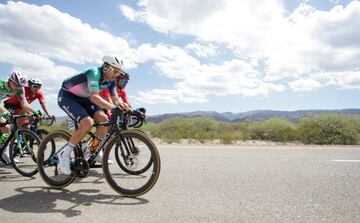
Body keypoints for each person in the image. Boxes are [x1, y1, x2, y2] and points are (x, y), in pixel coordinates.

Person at [57, 55, 127, 175]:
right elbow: (94, 97)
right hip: (67, 97)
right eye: (115, 71)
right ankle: (64, 154)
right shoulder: (93, 73)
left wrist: (125, 107)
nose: (116, 75)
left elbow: (116, 100)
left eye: (118, 73)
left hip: (84, 98)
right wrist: (114, 107)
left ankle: (91, 150)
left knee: (104, 120)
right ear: (106, 67)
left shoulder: (110, 82)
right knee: (88, 123)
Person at [0, 71, 35, 163]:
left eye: (20, 86)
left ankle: (4, 153)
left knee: (6, 128)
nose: (18, 88)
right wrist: (6, 111)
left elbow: (24, 103)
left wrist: (34, 112)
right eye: (16, 85)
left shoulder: (19, 89)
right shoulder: (0, 85)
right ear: (10, 81)